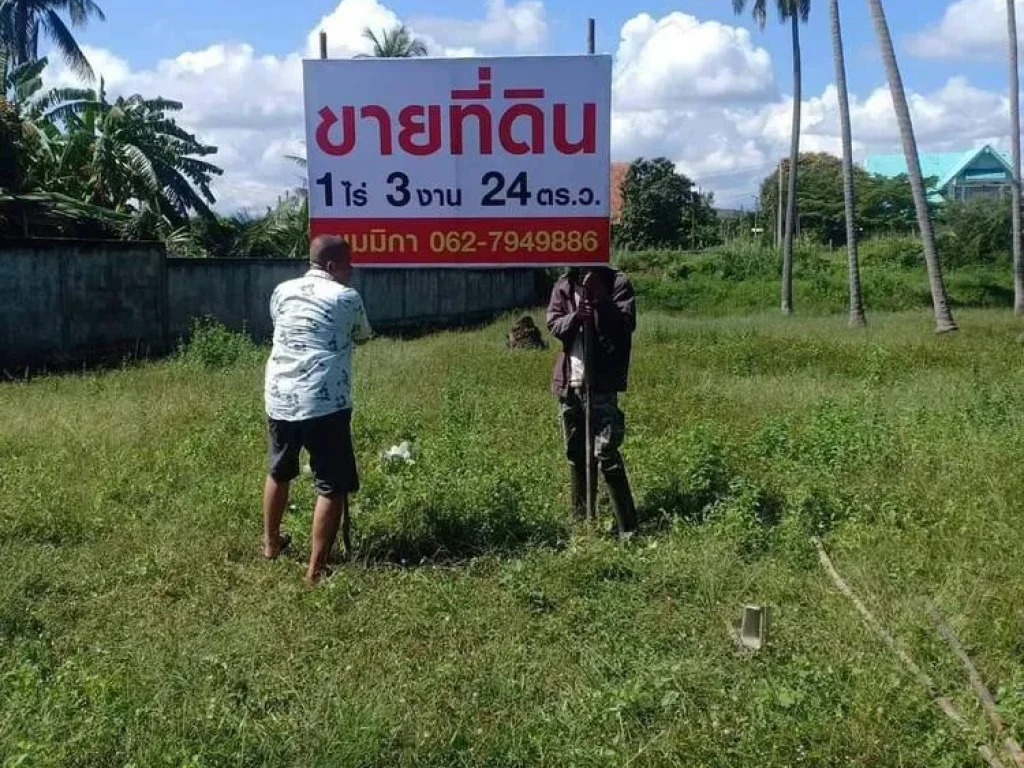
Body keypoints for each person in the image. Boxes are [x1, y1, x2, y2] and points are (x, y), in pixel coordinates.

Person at [261, 235, 373, 583]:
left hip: (280, 396)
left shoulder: (281, 291)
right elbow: (363, 335)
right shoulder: (346, 297)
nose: (352, 270)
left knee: (279, 471)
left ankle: (270, 544)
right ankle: (317, 569)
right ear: (331, 265)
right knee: (332, 484)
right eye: (348, 264)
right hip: (324, 402)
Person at [546, 265, 638, 538]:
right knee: (576, 454)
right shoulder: (563, 283)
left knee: (606, 452)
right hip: (570, 383)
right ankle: (582, 524)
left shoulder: (616, 282)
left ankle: (627, 529)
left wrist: (601, 299)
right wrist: (575, 318)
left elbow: (624, 326)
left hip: (601, 384)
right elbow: (553, 323)